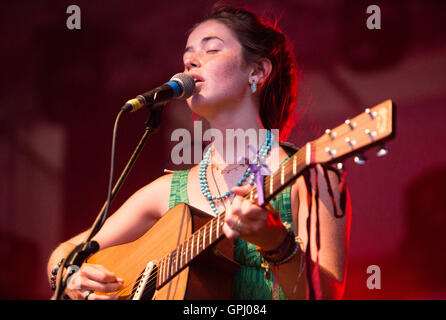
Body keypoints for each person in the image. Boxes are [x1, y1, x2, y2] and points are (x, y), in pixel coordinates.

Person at [47, 5, 351, 300]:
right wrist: (70, 276)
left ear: (257, 71)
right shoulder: (165, 192)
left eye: (211, 50)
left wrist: (278, 244)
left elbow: (326, 295)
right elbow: (65, 252)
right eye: (187, 55)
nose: (190, 62)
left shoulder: (309, 174)